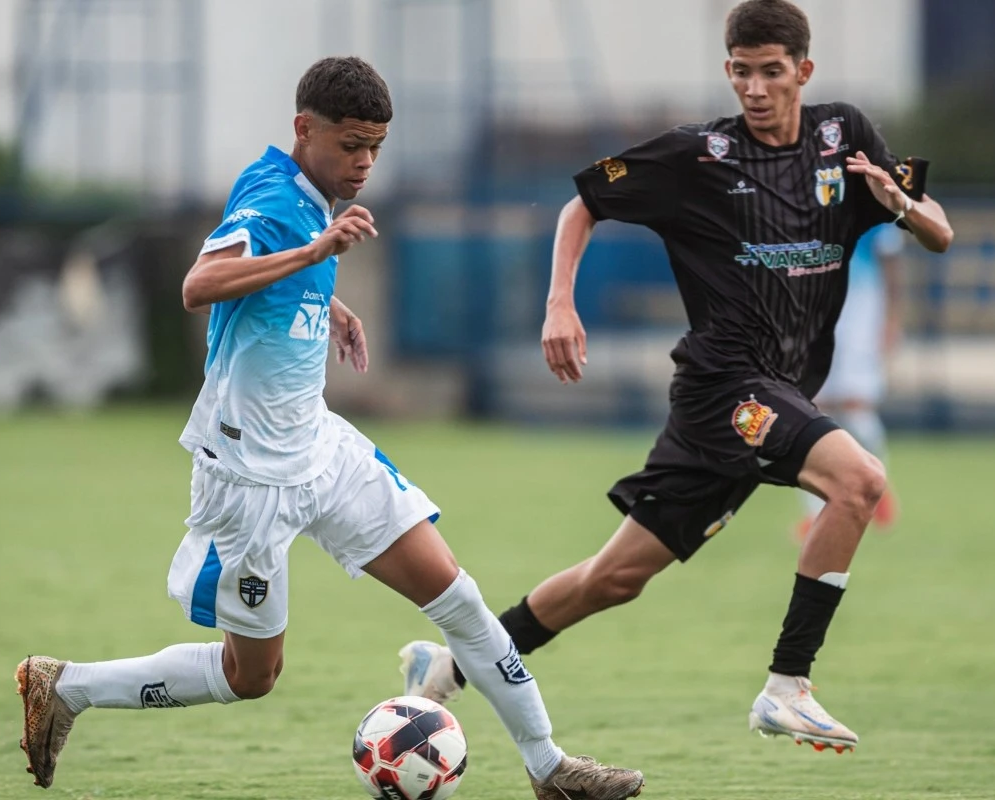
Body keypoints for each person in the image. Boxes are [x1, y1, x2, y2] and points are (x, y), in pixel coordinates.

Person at [13, 56, 644, 800]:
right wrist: (314, 254)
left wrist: (327, 300)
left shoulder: (309, 191)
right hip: (248, 477)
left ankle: (550, 768)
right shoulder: (273, 200)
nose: (366, 162)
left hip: (319, 447)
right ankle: (68, 687)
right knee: (251, 676)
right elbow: (199, 285)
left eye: (376, 146)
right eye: (351, 145)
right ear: (303, 130)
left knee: (458, 597)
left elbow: (276, 272)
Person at [399, 0, 952, 754]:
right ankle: (788, 686)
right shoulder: (700, 157)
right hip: (727, 388)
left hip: (769, 395)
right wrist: (559, 303)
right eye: (741, 72)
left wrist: (903, 208)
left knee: (612, 578)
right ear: (728, 70)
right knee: (860, 481)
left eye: (771, 72)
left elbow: (939, 231)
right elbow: (582, 204)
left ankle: (450, 666)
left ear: (804, 71)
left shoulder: (844, 136)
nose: (754, 88)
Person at [797, 223, 905, 540]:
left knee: (856, 406)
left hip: (862, 308)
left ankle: (876, 485)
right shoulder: (801, 204)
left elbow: (892, 261)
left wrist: (892, 320)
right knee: (812, 409)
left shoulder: (873, 205)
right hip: (815, 309)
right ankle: (816, 513)